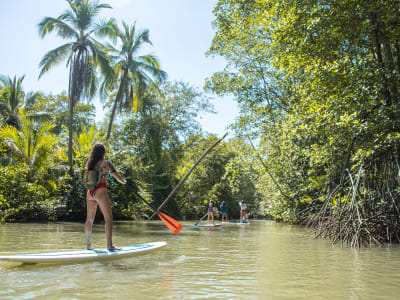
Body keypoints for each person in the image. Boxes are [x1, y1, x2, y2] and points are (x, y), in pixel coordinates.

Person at [84, 143, 126, 250]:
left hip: (90, 193)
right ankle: (109, 245)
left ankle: (88, 246)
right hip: (100, 191)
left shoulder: (89, 164)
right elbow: (117, 177)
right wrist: (124, 182)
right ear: (103, 153)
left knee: (89, 219)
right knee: (108, 218)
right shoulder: (106, 163)